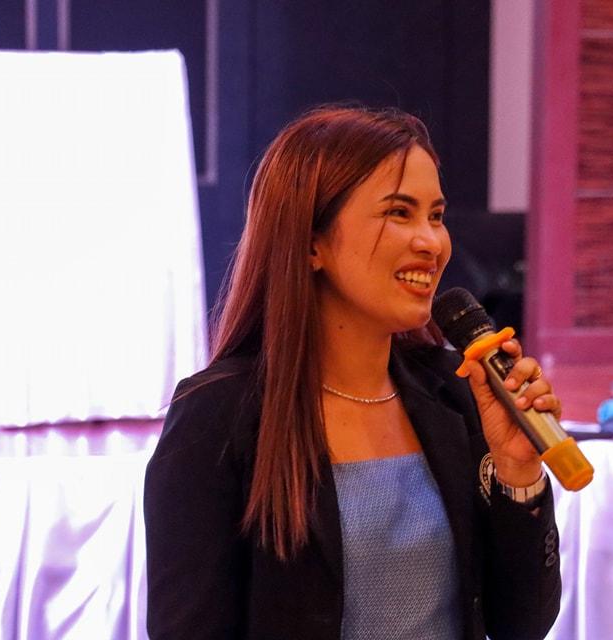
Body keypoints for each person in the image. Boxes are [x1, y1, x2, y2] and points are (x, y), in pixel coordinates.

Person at [144, 105, 562, 640]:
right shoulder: (218, 414)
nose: (431, 243)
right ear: (311, 242)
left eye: (436, 216)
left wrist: (517, 473)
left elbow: (520, 624)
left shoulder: (455, 393)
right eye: (399, 213)